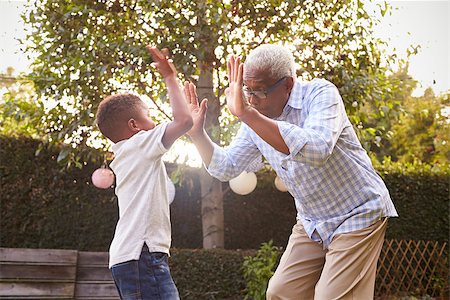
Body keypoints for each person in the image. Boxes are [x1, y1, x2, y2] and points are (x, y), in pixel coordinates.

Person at [184, 44, 398, 299]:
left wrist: (248, 115)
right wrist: (197, 135)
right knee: (281, 292)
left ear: (287, 84)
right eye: (247, 91)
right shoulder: (255, 117)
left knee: (332, 296)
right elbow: (226, 166)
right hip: (312, 220)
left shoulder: (320, 94)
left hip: (357, 211)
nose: (251, 100)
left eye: (260, 91)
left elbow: (318, 149)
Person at [95, 46, 192, 300]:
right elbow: (183, 122)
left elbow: (184, 122)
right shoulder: (139, 144)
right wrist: (170, 77)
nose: (154, 122)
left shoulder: (125, 154)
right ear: (134, 126)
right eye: (148, 116)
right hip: (142, 253)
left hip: (129, 256)